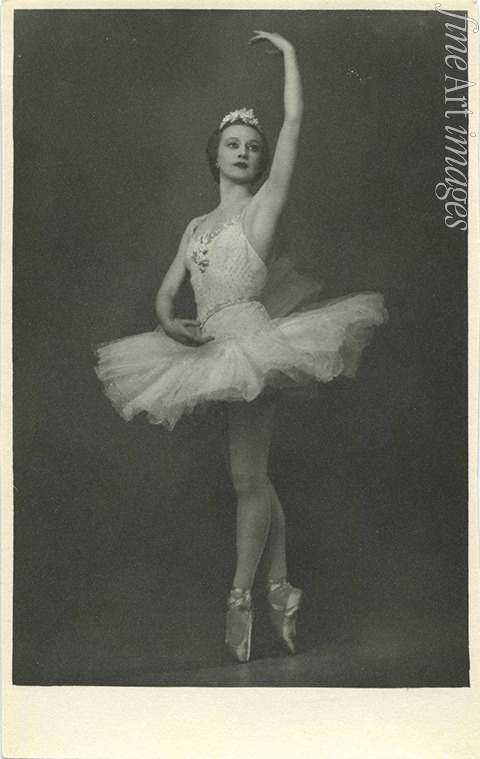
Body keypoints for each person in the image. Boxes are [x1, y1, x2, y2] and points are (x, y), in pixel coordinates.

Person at [95, 31, 388, 663]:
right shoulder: (196, 226)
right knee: (253, 477)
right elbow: (167, 294)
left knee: (245, 477)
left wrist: (290, 56)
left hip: (251, 345)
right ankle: (280, 589)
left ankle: (240, 598)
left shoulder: (261, 211)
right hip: (206, 346)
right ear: (216, 155)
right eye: (234, 144)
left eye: (253, 147)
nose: (245, 152)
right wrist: (170, 325)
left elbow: (294, 123)